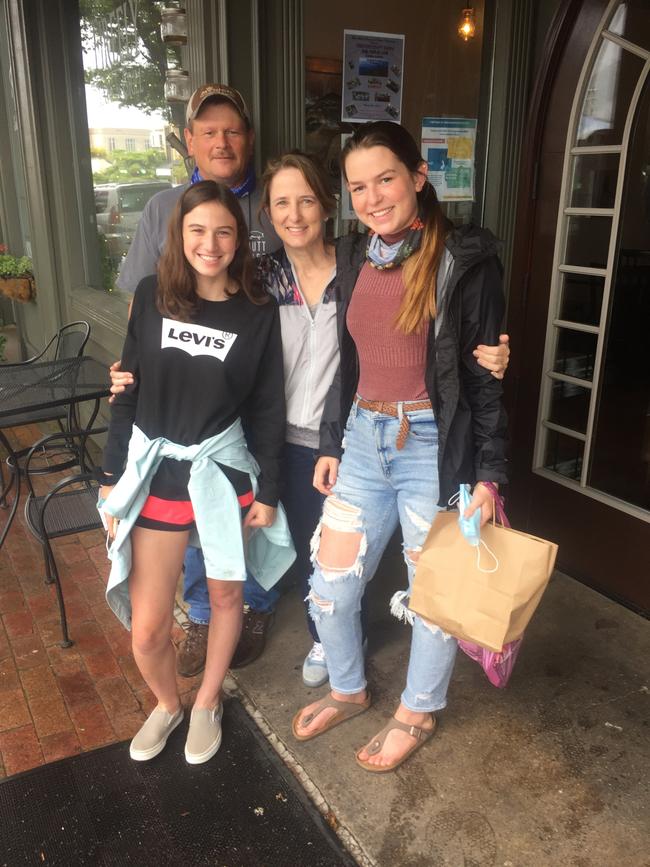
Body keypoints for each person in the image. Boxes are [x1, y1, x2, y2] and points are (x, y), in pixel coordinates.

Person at [112, 148, 512, 683]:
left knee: (348, 556)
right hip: (267, 435)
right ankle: (259, 620)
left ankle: (339, 644)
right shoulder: (257, 281)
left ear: (327, 206)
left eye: (306, 200)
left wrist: (485, 354)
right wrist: (134, 369)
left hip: (346, 436)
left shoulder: (359, 264)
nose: (294, 214)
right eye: (281, 203)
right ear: (268, 216)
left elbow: (424, 326)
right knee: (294, 547)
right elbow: (197, 329)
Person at [291, 121, 508, 773]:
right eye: (358, 185)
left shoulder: (466, 258)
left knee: (433, 593)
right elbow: (347, 361)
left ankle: (418, 707)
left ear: (417, 176)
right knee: (329, 580)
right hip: (362, 437)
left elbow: (483, 378)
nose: (373, 196)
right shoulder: (356, 253)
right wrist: (333, 440)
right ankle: (350, 686)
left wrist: (491, 476)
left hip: (432, 447)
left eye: (386, 178)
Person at [98, 181, 293, 765]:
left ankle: (207, 700)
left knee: (226, 595)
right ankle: (167, 703)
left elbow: (267, 408)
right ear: (178, 236)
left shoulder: (258, 313)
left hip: (223, 471)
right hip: (157, 472)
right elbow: (125, 392)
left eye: (224, 231)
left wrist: (271, 492)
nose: (211, 244)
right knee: (150, 629)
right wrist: (111, 475)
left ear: (240, 238)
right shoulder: (153, 294)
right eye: (197, 231)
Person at [111, 83, 283, 681]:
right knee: (165, 584)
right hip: (166, 438)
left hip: (229, 432)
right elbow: (140, 317)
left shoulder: (273, 206)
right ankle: (203, 620)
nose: (221, 140)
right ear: (190, 141)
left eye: (231, 130)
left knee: (236, 555)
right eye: (207, 131)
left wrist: (269, 483)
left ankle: (240, 617)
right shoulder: (163, 210)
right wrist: (135, 368)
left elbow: (266, 400)